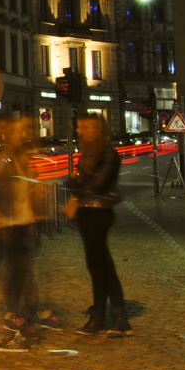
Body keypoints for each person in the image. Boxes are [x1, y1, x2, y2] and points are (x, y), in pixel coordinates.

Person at [67, 113, 128, 336]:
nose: (79, 131)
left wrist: (80, 181)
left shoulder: (108, 154)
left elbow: (95, 185)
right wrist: (79, 181)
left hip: (98, 214)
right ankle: (118, 318)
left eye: (84, 128)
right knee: (102, 266)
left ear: (97, 131)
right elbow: (74, 181)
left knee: (98, 267)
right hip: (87, 214)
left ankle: (101, 317)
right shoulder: (88, 154)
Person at [0, 116, 44, 348]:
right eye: (18, 131)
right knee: (16, 273)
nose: (23, 135)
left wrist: (34, 213)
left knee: (21, 272)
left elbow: (27, 186)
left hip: (22, 219)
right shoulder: (5, 158)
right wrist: (1, 219)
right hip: (11, 222)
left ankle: (19, 319)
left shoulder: (21, 156)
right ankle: (17, 318)